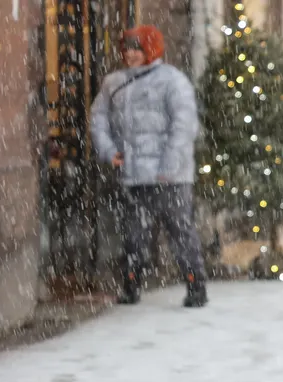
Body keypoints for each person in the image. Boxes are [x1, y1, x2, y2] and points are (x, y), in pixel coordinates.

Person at [90, 24, 206, 307]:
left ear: (150, 49)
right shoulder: (114, 83)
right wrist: (109, 150)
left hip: (170, 177)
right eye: (127, 48)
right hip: (134, 174)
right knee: (133, 235)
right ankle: (131, 286)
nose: (130, 54)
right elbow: (98, 118)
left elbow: (183, 125)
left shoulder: (172, 81)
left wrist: (169, 165)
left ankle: (196, 287)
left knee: (180, 232)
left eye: (136, 48)